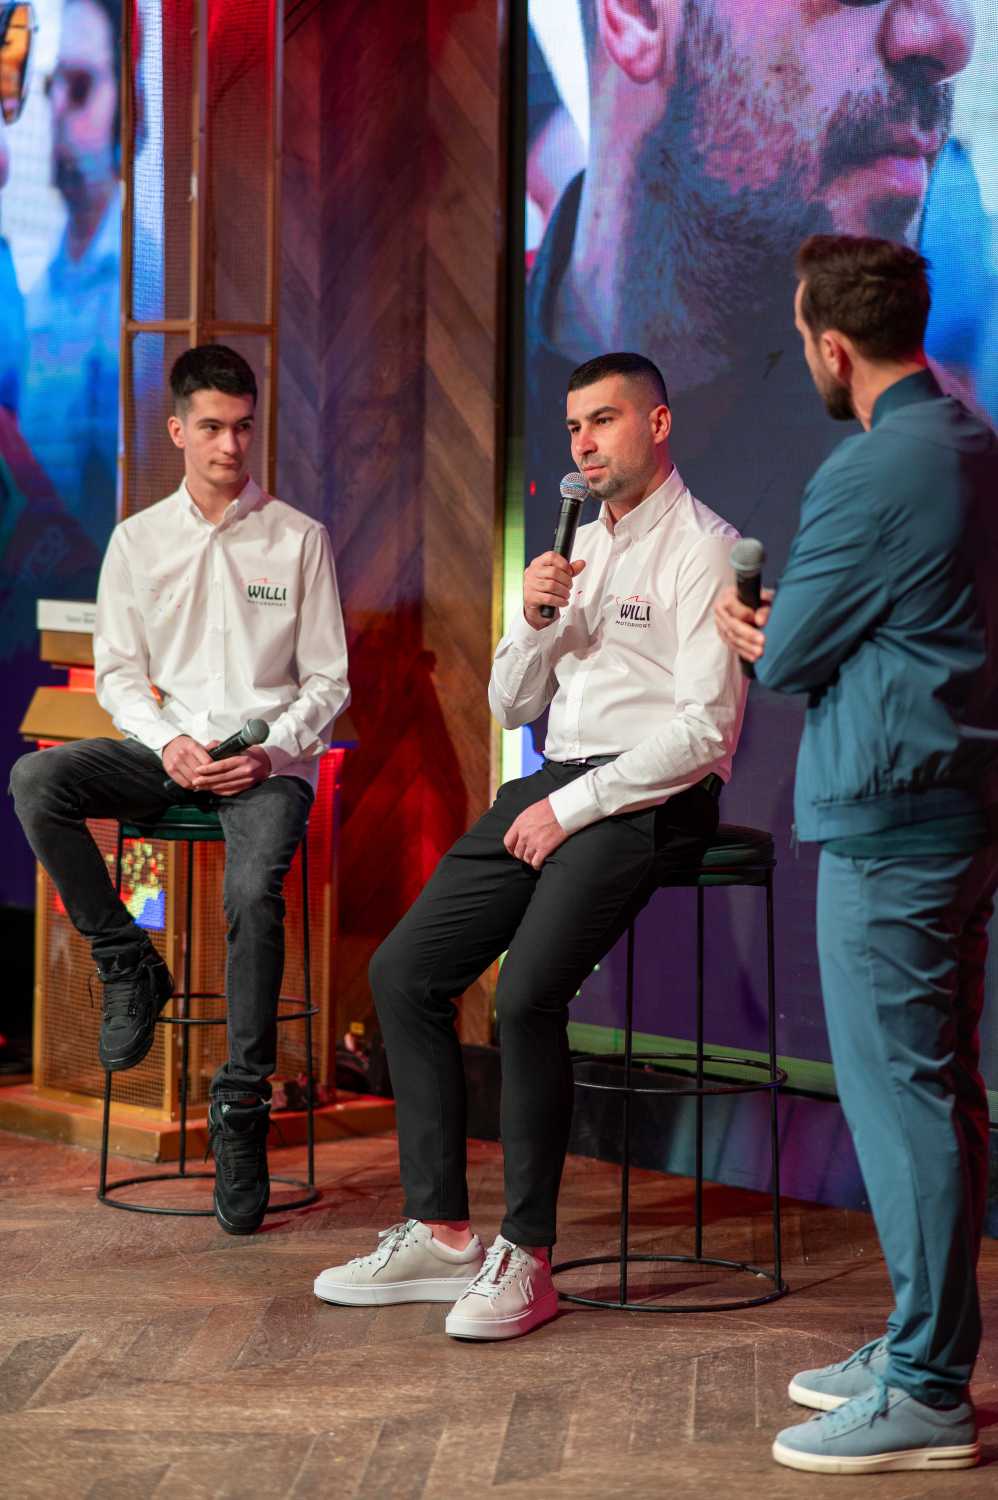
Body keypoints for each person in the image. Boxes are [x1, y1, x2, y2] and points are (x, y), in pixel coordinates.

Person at [313, 351, 745, 1339]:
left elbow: (705, 733)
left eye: (604, 420)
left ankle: (529, 1256)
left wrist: (577, 807)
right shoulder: (571, 549)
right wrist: (536, 617)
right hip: (558, 777)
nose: (584, 444)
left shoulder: (704, 549)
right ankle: (440, 1233)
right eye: (573, 428)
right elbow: (510, 703)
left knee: (525, 996)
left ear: (658, 424)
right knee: (403, 973)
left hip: (652, 793)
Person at [714, 235, 998, 1474]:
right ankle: (918, 1344)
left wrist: (751, 628)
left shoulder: (871, 467)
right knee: (936, 1092)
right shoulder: (971, 441)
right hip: (952, 805)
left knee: (904, 1103)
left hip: (891, 820)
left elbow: (787, 658)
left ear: (832, 347)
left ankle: (926, 1388)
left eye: (800, 342)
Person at [10, 344, 350, 1236]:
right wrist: (171, 742)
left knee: (252, 891)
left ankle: (241, 1102)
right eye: (212, 428)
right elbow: (120, 675)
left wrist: (270, 751)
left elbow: (329, 680)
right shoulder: (138, 540)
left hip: (266, 765)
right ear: (177, 431)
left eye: (242, 428)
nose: (230, 445)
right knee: (37, 779)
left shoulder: (299, 538)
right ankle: (128, 958)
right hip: (169, 753)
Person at [20, 0, 122, 553]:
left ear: (129, 106)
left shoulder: (151, 289)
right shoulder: (36, 295)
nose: (57, 108)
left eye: (79, 87)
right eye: (50, 87)